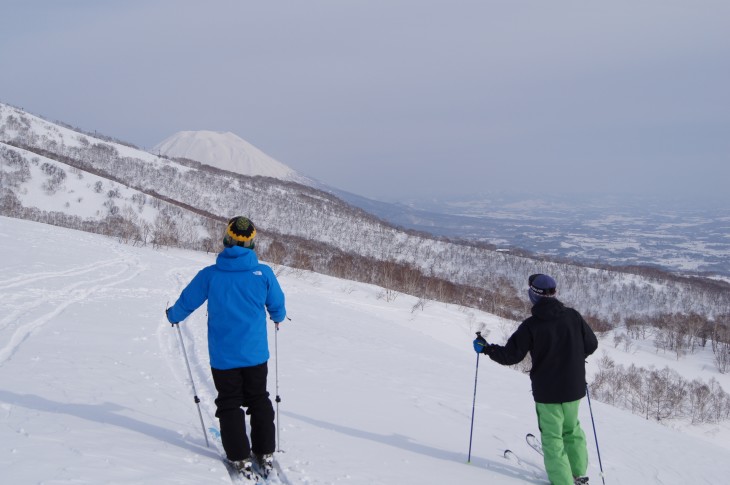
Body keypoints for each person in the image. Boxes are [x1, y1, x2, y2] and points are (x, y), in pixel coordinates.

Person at [166, 216, 286, 479]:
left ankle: (239, 457)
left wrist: (173, 315)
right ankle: (264, 452)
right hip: (255, 354)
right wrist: (277, 317)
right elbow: (277, 305)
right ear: (252, 242)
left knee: (230, 403)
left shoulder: (211, 275)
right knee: (258, 399)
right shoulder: (263, 274)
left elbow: (186, 302)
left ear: (227, 240)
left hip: (223, 357)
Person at [474, 274, 598, 485]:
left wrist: (486, 349)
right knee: (572, 429)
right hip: (574, 387)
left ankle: (563, 482)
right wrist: (574, 359)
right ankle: (579, 474)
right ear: (554, 293)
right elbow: (591, 345)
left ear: (533, 295)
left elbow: (510, 356)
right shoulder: (573, 317)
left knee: (552, 437)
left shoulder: (531, 326)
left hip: (548, 392)